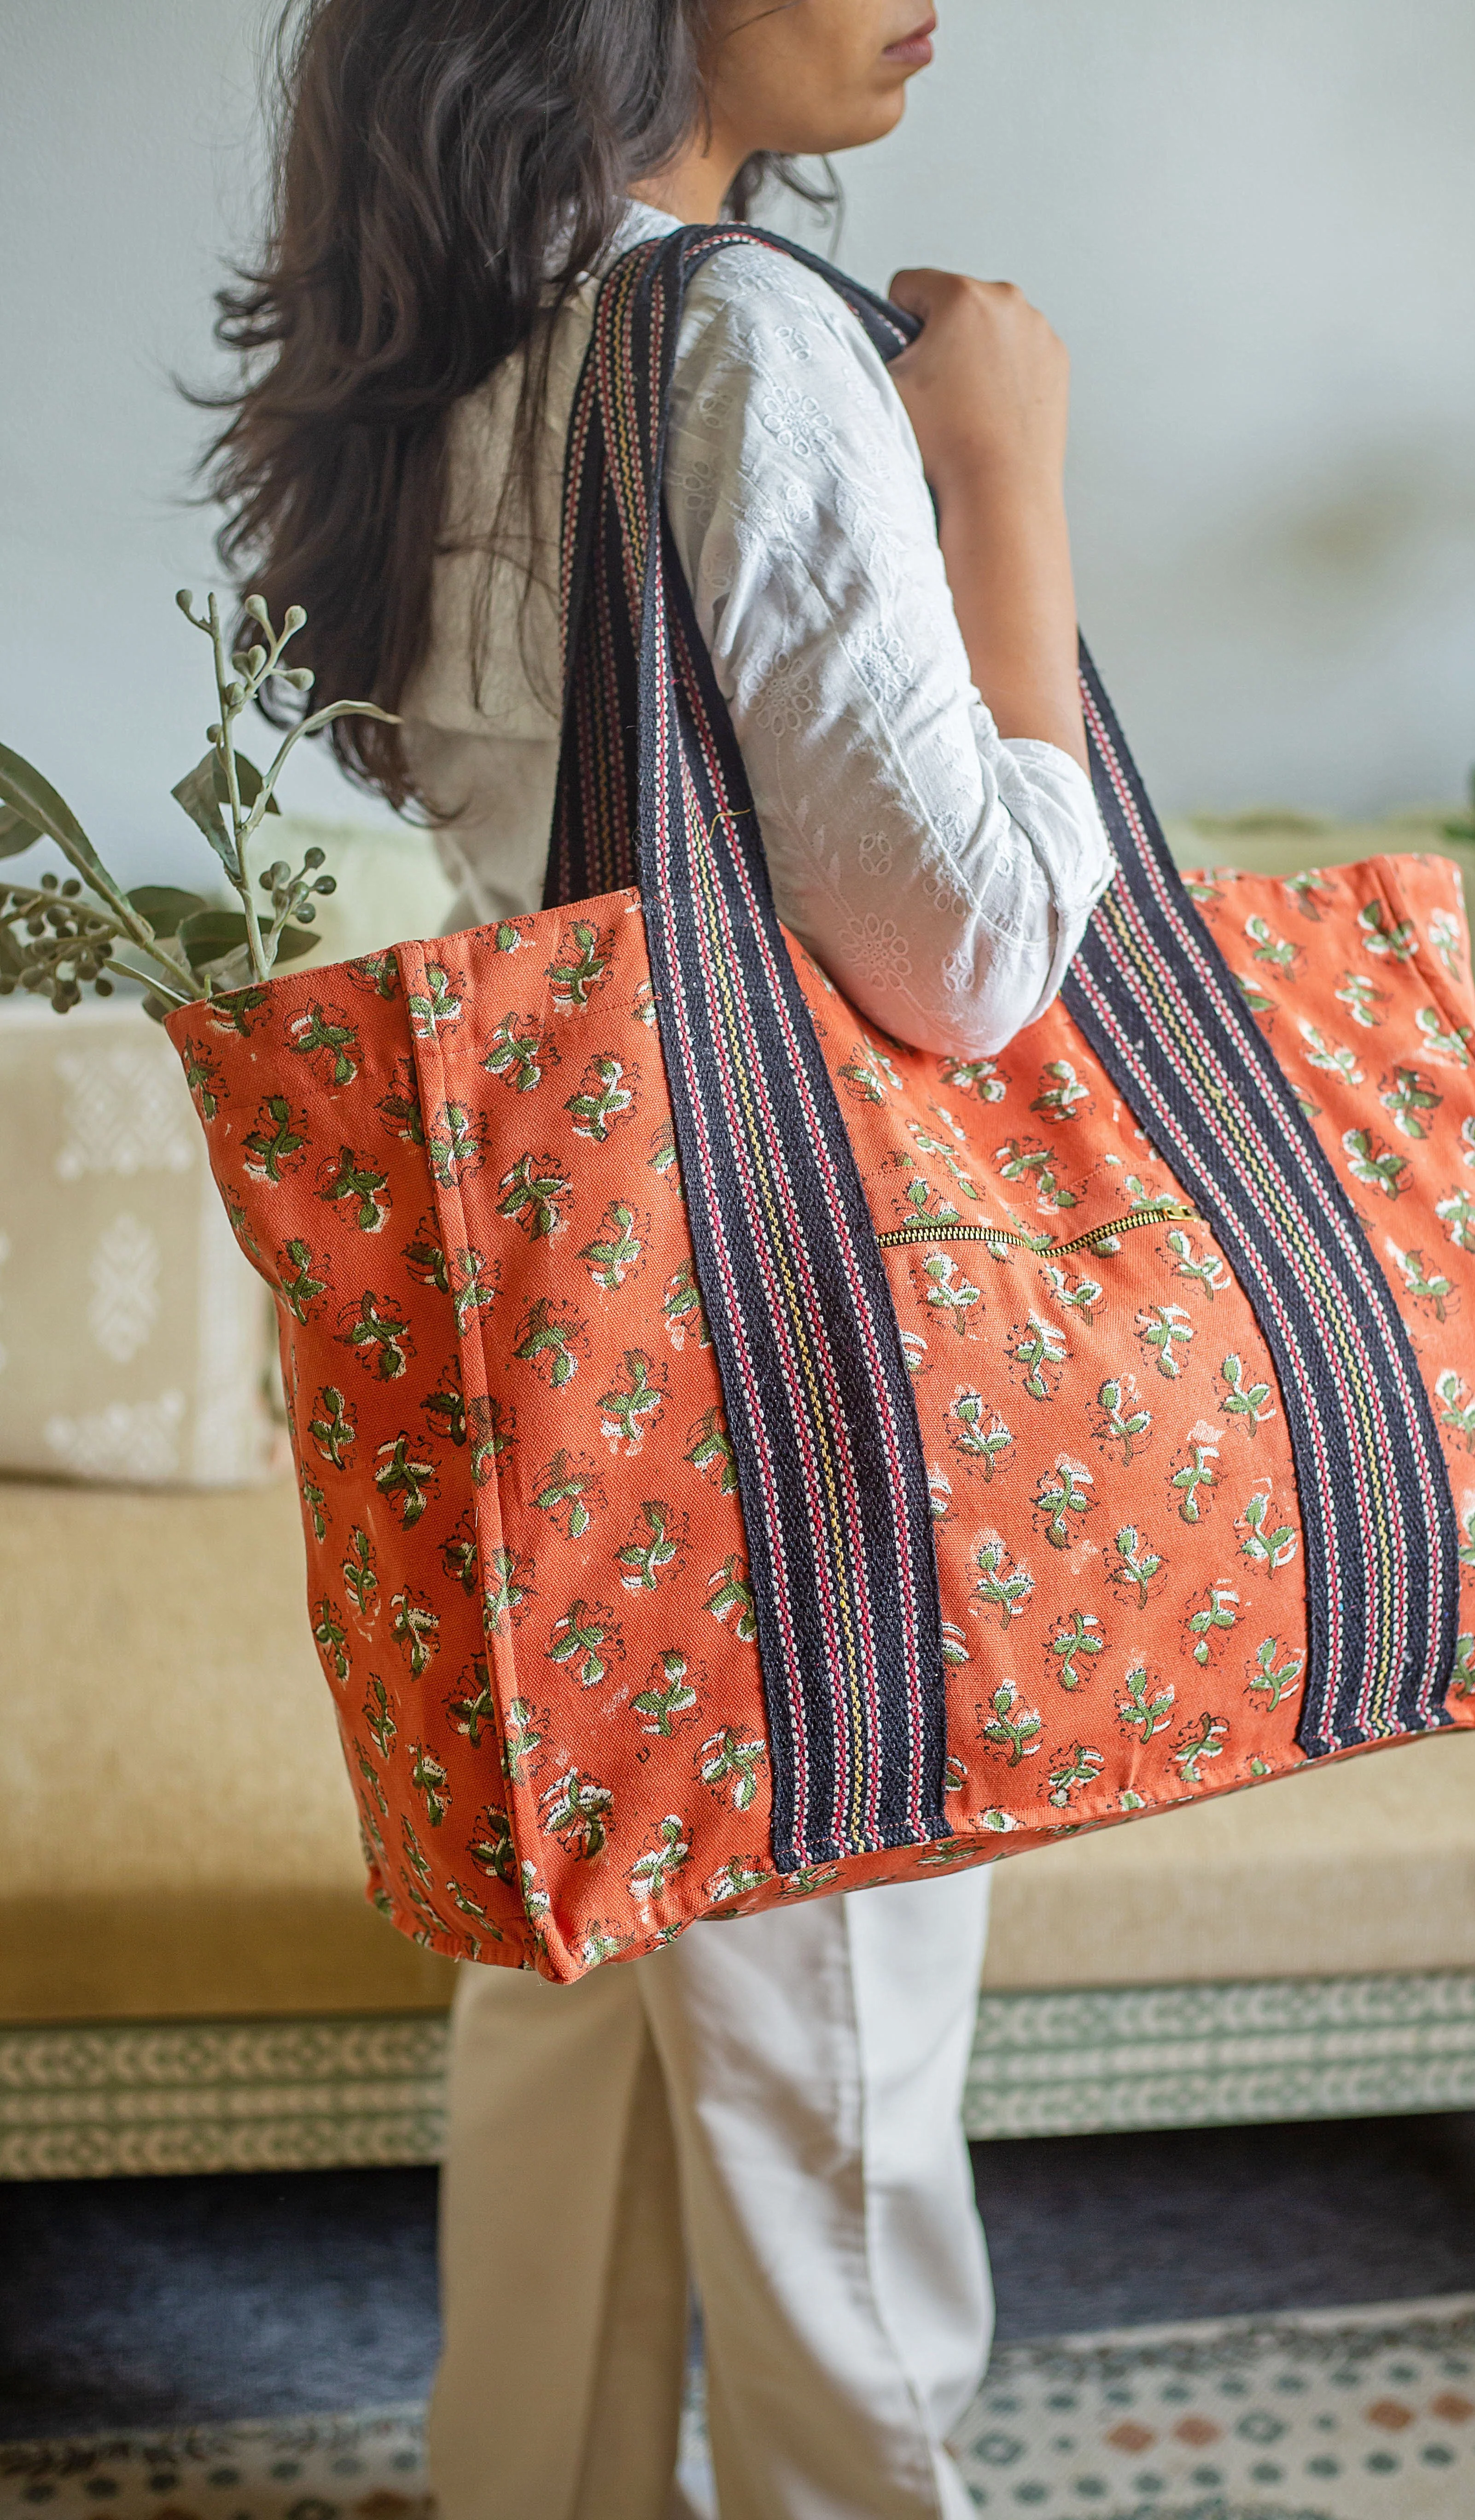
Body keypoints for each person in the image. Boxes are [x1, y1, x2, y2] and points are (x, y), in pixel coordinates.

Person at [210, 4, 1112, 2513]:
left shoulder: (474, 334)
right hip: (783, 1378)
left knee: (571, 2048)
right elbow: (972, 954)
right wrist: (1011, 476)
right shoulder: (732, 337)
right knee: (834, 2136)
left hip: (560, 1344)